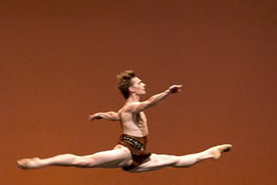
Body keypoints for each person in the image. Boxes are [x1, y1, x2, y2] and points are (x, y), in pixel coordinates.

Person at [17, 70, 232, 173]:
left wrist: (104, 115)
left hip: (138, 154)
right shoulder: (131, 106)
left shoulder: (126, 109)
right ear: (132, 89)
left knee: (176, 161)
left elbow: (116, 115)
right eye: (140, 83)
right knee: (85, 161)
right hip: (127, 151)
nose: (143, 84)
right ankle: (40, 162)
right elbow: (149, 103)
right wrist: (168, 92)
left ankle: (211, 152)